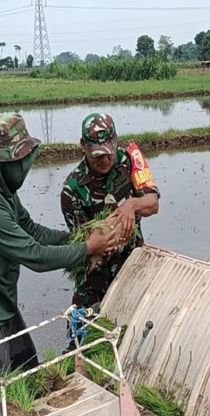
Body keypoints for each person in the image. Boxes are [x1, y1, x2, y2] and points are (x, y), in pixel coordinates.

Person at [0, 113, 117, 401]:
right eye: (24, 160)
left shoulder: (0, 187)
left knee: (26, 372)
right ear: (6, 162)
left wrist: (76, 239)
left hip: (1, 303)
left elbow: (29, 228)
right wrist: (87, 249)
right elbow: (34, 255)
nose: (28, 166)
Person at [60, 113, 160, 309]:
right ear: (83, 146)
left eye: (109, 153)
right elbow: (85, 247)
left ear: (115, 141)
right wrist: (108, 237)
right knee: (89, 332)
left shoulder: (131, 160)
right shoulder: (72, 190)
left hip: (134, 268)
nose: (105, 160)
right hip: (95, 281)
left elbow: (153, 203)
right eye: (98, 155)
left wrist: (131, 205)